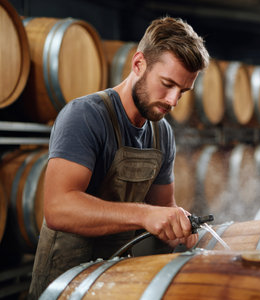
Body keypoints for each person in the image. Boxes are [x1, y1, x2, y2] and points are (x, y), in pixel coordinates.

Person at [28, 16, 209, 298]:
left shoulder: (163, 135)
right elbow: (58, 207)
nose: (173, 101)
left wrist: (180, 226)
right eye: (167, 84)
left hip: (119, 282)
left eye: (183, 91)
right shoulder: (86, 116)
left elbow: (163, 207)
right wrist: (144, 214)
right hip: (65, 283)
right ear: (138, 64)